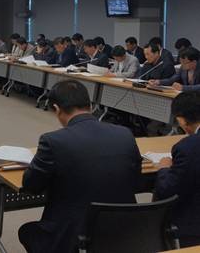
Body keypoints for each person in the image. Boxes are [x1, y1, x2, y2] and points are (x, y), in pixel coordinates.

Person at [19, 80, 141, 253]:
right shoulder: (125, 134)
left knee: (28, 231)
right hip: (123, 232)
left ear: (57, 109)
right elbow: (135, 181)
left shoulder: (53, 141)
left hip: (73, 237)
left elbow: (31, 186)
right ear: (89, 104)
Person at [154, 92, 200, 247]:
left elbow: (167, 190)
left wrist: (164, 169)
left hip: (192, 227)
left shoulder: (187, 147)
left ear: (182, 120)